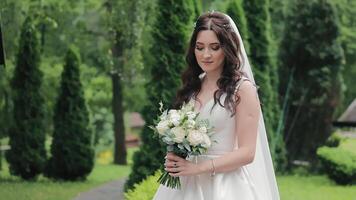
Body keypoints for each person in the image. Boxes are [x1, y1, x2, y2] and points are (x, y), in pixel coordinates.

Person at [153, 11, 280, 200]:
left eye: (214, 47)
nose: (206, 55)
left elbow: (247, 153)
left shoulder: (242, 90)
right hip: (187, 186)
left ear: (227, 49)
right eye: (200, 47)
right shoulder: (192, 86)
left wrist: (199, 168)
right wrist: (175, 155)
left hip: (225, 186)